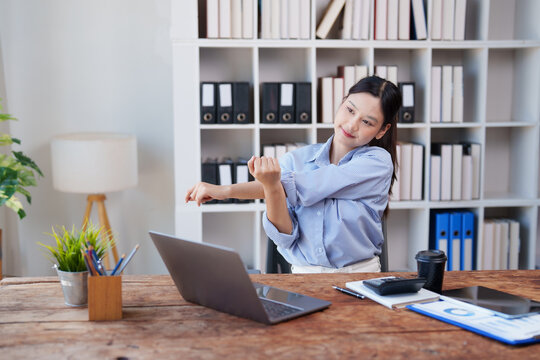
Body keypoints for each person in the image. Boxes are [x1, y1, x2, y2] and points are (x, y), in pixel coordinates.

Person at [186, 76, 401, 273]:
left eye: (367, 122)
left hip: (358, 278)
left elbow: (311, 184)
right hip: (302, 277)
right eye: (350, 110)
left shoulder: (377, 162)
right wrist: (271, 188)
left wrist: (225, 191)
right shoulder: (295, 160)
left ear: (382, 131)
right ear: (341, 103)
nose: (352, 124)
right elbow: (286, 237)